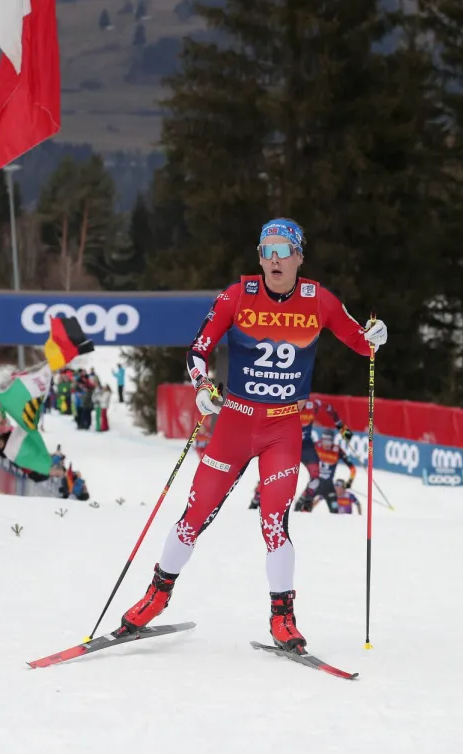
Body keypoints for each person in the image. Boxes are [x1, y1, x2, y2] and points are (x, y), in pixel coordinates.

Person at [118, 217, 387, 651]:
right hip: (235, 425)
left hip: (282, 429)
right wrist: (203, 387)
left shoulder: (318, 300)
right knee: (193, 516)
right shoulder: (235, 296)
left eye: (284, 251)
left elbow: (361, 342)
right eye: (267, 251)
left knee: (274, 523)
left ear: (300, 256)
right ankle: (156, 596)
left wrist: (375, 335)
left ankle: (283, 617)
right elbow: (198, 349)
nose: (274, 259)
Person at [293, 424, 356, 513]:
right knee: (299, 508)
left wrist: (349, 481)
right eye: (325, 441)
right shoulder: (315, 446)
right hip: (314, 485)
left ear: (333, 440)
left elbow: (353, 469)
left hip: (329, 487)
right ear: (322, 439)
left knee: (335, 513)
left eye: (329, 441)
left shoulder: (337, 450)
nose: (326, 444)